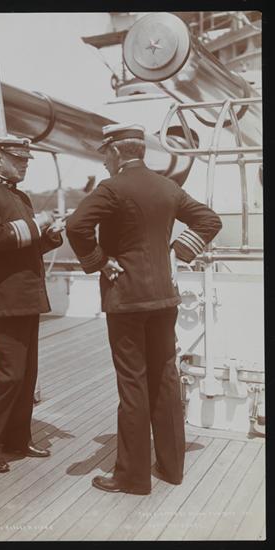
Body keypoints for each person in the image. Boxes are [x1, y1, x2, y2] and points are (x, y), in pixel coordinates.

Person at [66, 123, 222, 495]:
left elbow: (75, 227)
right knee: (165, 380)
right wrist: (177, 252)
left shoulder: (112, 188)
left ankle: (132, 477)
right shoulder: (167, 186)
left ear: (115, 152)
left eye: (105, 155)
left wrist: (100, 261)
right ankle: (172, 468)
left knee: (133, 384)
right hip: (165, 299)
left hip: (127, 301)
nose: (104, 162)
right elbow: (210, 220)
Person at [0, 136, 65, 473]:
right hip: (3, 299)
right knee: (10, 375)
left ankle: (17, 439)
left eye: (25, 160)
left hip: (26, 298)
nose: (23, 165)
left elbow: (26, 245)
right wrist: (38, 224)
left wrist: (51, 234)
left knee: (26, 375)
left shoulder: (21, 197)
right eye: (17, 159)